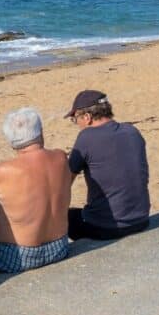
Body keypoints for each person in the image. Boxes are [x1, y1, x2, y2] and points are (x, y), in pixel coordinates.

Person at [0, 108, 72, 273]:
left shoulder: (5, 170)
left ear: (11, 141)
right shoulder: (61, 157)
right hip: (59, 247)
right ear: (40, 132)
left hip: (17, 255)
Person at [65, 90, 150, 240]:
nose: (76, 124)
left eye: (75, 119)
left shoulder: (86, 137)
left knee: (66, 217)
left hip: (106, 227)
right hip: (141, 219)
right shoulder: (132, 131)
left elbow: (65, 183)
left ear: (87, 117)